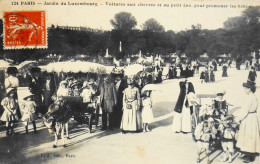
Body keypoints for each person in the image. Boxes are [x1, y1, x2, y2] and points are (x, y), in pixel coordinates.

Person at [233, 80, 260, 163]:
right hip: (251, 117)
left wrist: (237, 118)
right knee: (247, 135)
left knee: (249, 135)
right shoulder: (252, 96)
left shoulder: (250, 98)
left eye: (245, 88)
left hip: (249, 118)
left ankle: (250, 155)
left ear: (249, 89)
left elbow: (245, 110)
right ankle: (247, 153)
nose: (244, 90)